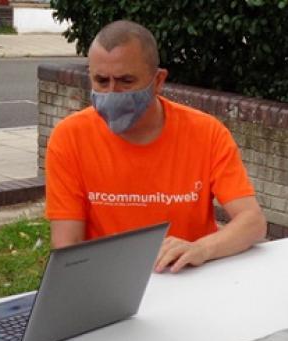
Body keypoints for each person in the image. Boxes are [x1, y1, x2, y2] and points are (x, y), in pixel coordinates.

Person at [45, 20, 266, 273]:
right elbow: (67, 248)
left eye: (126, 81)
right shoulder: (70, 138)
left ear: (158, 80)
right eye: (101, 81)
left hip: (187, 275)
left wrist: (201, 249)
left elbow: (253, 222)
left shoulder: (205, 133)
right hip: (110, 283)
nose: (112, 93)